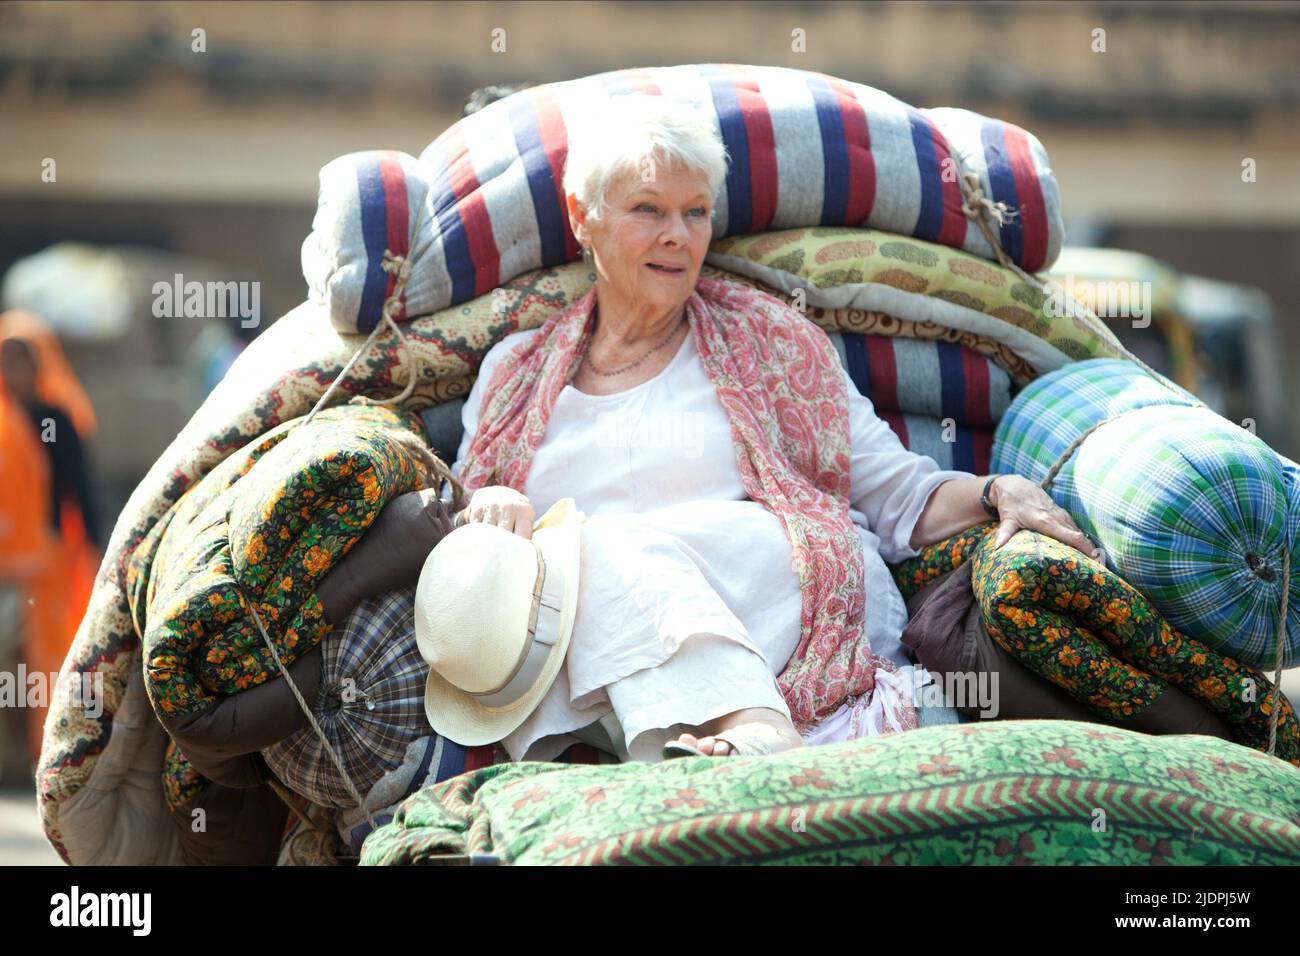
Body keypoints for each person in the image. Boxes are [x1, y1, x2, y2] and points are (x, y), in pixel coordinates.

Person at [450, 94, 1099, 762]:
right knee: (575, 566)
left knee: (605, 544)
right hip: (600, 651)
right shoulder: (515, 373)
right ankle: (677, 752)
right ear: (582, 217)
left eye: (695, 212)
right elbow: (470, 556)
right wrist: (489, 507)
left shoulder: (774, 342)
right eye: (649, 208)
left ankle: (751, 723)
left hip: (773, 613)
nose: (678, 233)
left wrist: (996, 492)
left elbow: (899, 497)